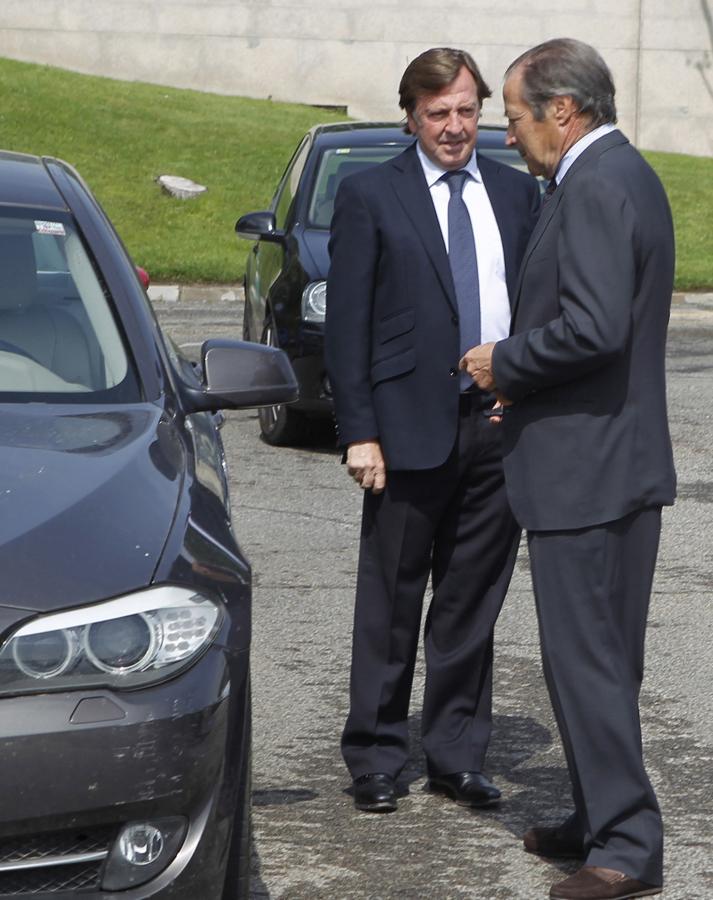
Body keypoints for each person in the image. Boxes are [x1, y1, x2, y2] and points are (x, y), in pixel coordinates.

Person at [461, 38, 675, 900]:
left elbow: (591, 329)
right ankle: (597, 817)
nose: (507, 137)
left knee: (585, 660)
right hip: (608, 457)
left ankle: (624, 848)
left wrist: (502, 364)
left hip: (588, 474)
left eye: (512, 117)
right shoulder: (621, 172)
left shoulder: (590, 185)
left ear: (562, 110)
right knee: (601, 659)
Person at [325, 47, 540, 814]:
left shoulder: (517, 196)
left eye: (465, 110)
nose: (454, 127)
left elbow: (536, 309)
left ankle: (455, 754)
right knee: (389, 602)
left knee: (468, 602)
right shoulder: (370, 195)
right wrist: (359, 432)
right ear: (410, 116)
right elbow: (346, 327)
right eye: (437, 113)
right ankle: (377, 756)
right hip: (405, 433)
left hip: (496, 429)